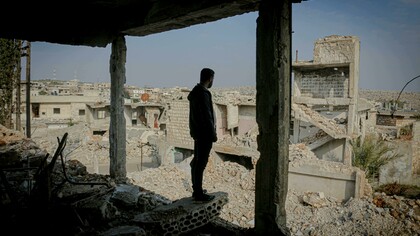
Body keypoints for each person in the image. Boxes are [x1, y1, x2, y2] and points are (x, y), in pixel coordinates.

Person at [188, 68, 217, 202]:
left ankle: (197, 190)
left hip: (198, 133)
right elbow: (207, 116)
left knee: (197, 162)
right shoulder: (203, 94)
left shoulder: (195, 93)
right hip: (204, 134)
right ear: (210, 78)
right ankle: (198, 193)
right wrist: (212, 134)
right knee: (200, 163)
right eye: (212, 79)